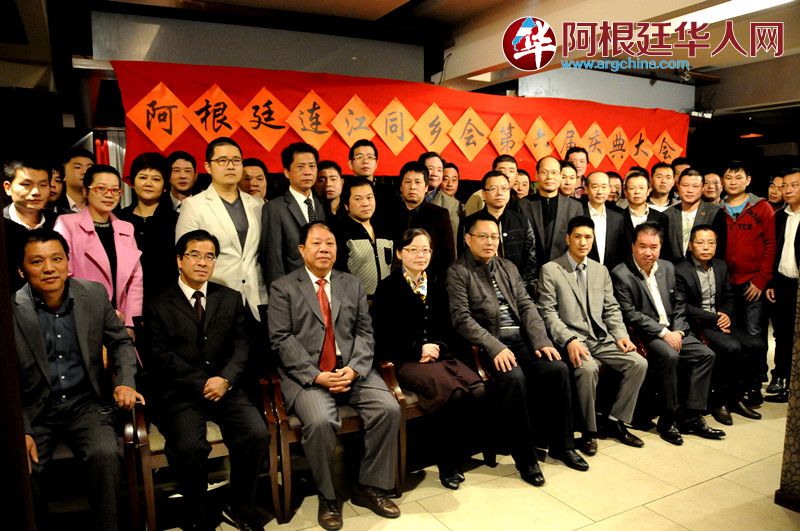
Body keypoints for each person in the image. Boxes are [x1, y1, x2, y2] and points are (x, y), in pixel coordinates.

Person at [268, 221, 401, 531]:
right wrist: (316, 376)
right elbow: (281, 339)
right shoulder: (283, 287)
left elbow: (365, 331)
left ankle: (368, 486)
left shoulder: (351, 283)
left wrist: (354, 368)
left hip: (351, 369)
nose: (324, 249)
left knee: (389, 408)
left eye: (329, 243)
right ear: (302, 249)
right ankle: (328, 496)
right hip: (308, 375)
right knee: (320, 421)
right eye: (316, 243)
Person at [447, 212, 589, 488]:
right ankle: (526, 460)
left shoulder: (507, 266)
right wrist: (495, 346)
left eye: (494, 236)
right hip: (488, 346)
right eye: (483, 236)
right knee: (515, 378)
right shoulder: (458, 271)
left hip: (521, 341)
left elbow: (526, 305)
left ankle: (563, 445)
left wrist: (541, 341)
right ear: (467, 238)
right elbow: (461, 318)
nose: (490, 242)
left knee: (558, 369)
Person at [14, 229, 143, 531]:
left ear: (68, 262)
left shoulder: (93, 294)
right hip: (36, 411)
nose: (49, 268)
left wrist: (125, 381)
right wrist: (22, 430)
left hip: (85, 404)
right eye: (37, 261)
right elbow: (6, 383)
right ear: (21, 270)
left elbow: (120, 342)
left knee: (105, 454)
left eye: (57, 259)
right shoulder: (11, 310)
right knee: (24, 467)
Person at [143, 230, 269, 531]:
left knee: (256, 433)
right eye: (195, 255)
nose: (202, 262)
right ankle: (197, 515)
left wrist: (225, 379)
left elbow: (242, 345)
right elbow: (159, 356)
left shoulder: (230, 298)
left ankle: (240, 506)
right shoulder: (159, 303)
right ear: (179, 260)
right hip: (182, 393)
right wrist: (202, 382)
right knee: (189, 447)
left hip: (225, 388)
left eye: (209, 256)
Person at [372, 228, 484, 490]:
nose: (420, 255)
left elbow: (448, 328)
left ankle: (457, 451)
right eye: (413, 250)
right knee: (454, 392)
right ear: (400, 253)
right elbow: (383, 336)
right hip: (404, 360)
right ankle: (447, 462)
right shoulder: (387, 288)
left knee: (477, 388)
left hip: (438, 356)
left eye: (425, 250)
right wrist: (418, 349)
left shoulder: (435, 285)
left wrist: (437, 347)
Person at [537, 217, 647, 455]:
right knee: (588, 369)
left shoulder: (600, 270)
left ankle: (615, 420)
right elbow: (547, 313)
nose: (583, 242)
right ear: (567, 238)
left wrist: (620, 335)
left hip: (601, 338)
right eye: (578, 237)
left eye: (588, 237)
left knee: (639, 363)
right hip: (573, 340)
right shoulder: (551, 270)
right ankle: (589, 430)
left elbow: (611, 308)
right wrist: (569, 339)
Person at [612, 222, 723, 446]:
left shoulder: (667, 267)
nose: (648, 252)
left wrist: (679, 331)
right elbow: (631, 314)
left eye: (654, 247)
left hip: (675, 329)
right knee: (670, 356)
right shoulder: (621, 273)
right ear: (633, 246)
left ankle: (691, 415)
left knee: (705, 354)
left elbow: (680, 304)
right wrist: (664, 333)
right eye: (643, 246)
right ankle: (667, 419)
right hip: (647, 334)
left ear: (660, 247)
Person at [675, 225, 764, 423]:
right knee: (731, 348)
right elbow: (684, 306)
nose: (706, 247)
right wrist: (714, 318)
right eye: (700, 242)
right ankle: (719, 401)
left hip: (721, 320)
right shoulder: (680, 269)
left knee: (756, 344)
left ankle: (737, 397)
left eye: (711, 243)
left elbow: (730, 296)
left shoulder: (721, 266)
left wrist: (725, 314)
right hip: (699, 324)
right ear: (690, 245)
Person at [177, 137, 266, 321]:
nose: (230, 166)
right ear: (208, 167)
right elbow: (187, 260)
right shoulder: (193, 206)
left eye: (236, 160)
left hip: (257, 298)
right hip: (216, 298)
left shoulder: (258, 205)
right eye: (222, 161)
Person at [54, 164, 143, 329]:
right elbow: (64, 276)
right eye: (101, 188)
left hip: (120, 322)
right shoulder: (67, 224)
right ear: (85, 191)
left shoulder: (126, 228)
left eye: (115, 190)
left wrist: (131, 324)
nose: (109, 195)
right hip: (82, 318)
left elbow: (135, 280)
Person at [721, 160, 775, 404]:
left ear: (748, 180)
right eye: (728, 178)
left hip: (753, 283)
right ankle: (737, 384)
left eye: (738, 177)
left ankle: (754, 385)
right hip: (727, 284)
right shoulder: (718, 208)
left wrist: (761, 280)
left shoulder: (762, 208)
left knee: (754, 334)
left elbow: (771, 245)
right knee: (731, 335)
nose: (733, 182)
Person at [261, 142, 327, 289]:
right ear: (287, 172)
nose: (307, 172)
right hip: (292, 290)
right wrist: (280, 295)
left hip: (323, 287)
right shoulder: (274, 208)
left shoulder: (322, 205)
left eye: (312, 166)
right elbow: (273, 260)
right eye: (300, 167)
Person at [459, 170, 537, 293]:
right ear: (484, 194)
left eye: (504, 188)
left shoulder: (521, 220)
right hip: (479, 290)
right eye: (493, 188)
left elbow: (530, 258)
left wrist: (522, 288)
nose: (499, 193)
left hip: (516, 289)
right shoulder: (469, 222)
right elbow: (463, 258)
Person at [117, 152, 179, 301]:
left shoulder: (177, 221)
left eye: (156, 179)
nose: (148, 184)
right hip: (125, 298)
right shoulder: (119, 219)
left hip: (167, 299)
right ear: (132, 182)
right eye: (143, 177)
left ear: (165, 186)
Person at [764, 168, 800, 403]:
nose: (787, 190)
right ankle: (781, 377)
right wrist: (771, 282)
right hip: (782, 283)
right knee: (782, 334)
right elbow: (772, 252)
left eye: (794, 185)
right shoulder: (779, 216)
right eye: (784, 185)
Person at [392, 161, 455, 282]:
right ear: (401, 187)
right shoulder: (390, 214)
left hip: (429, 282)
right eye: (408, 182)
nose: (412, 187)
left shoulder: (439, 215)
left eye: (418, 182)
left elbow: (448, 257)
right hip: (395, 281)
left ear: (426, 187)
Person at [333, 178, 393, 297]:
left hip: (386, 300)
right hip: (354, 301)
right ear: (346, 205)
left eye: (369, 197)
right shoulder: (340, 232)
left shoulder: (384, 230)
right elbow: (338, 273)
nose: (366, 203)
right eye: (358, 199)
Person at [525, 155, 583, 266]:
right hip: (529, 270)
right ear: (536, 175)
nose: (550, 177)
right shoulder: (523, 204)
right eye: (544, 172)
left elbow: (577, 242)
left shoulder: (575, 207)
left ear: (560, 176)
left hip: (563, 269)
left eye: (554, 172)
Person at [663, 169, 726, 263]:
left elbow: (720, 250)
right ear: (678, 186)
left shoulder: (715, 213)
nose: (690, 190)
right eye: (685, 185)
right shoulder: (667, 215)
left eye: (695, 186)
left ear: (703, 188)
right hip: (674, 269)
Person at [583, 171, 626, 271]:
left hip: (610, 274)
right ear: (586, 189)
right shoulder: (578, 213)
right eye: (595, 187)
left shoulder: (618, 218)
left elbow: (621, 251)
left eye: (604, 187)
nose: (600, 191)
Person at [621, 172, 670, 260]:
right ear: (625, 192)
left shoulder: (661, 218)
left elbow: (665, 249)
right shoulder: (618, 218)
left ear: (648, 190)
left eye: (641, 188)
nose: (637, 192)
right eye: (632, 188)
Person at [420, 152, 460, 244]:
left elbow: (453, 242)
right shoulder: (407, 199)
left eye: (439, 170)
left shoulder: (452, 205)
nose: (435, 174)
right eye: (430, 169)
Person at [3, 159, 54, 230]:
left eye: (43, 185)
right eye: (27, 184)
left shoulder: (59, 223)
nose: (36, 192)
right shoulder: (3, 223)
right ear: (8, 188)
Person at [58, 147, 94, 213]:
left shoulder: (102, 205)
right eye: (78, 167)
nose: (85, 171)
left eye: (89, 168)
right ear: (64, 174)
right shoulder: (55, 208)